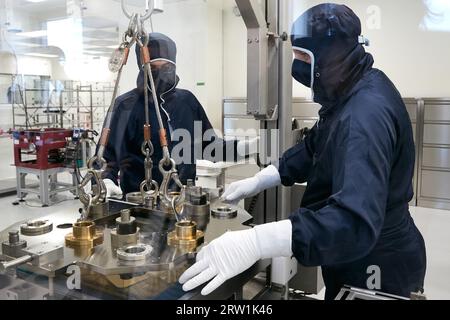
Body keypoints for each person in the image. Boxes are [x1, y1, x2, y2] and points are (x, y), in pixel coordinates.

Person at [179, 3, 427, 300]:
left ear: (327, 56)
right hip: (353, 257)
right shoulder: (352, 89)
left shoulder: (364, 116)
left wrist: (256, 242)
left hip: (376, 263)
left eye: (300, 56)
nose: (295, 65)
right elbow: (314, 148)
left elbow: (353, 223)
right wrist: (262, 179)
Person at [102, 33, 256, 197]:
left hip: (183, 200)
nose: (160, 74)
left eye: (166, 68)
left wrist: (249, 146)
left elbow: (212, 148)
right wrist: (106, 181)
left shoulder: (187, 102)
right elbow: (106, 158)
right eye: (152, 69)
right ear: (142, 68)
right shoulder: (125, 106)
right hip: (139, 202)